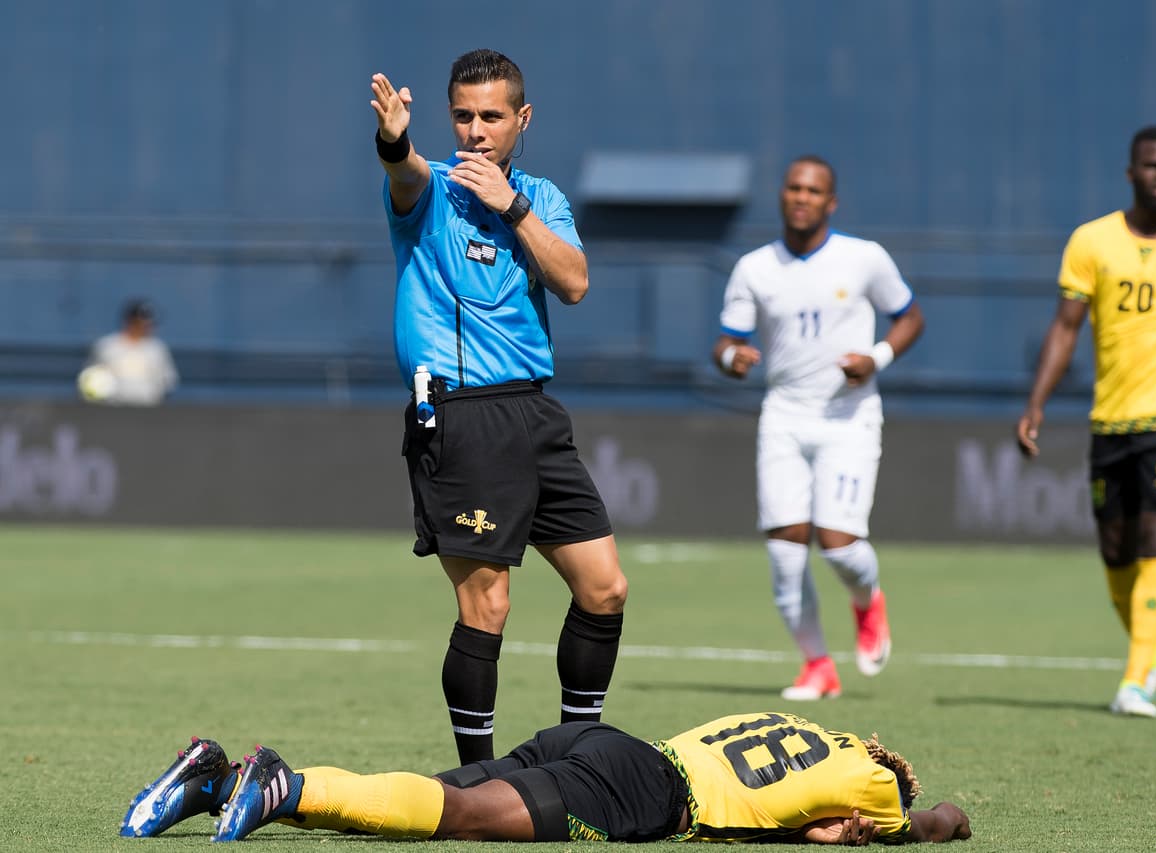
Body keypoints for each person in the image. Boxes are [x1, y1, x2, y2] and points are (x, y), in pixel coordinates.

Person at [368, 49, 627, 763]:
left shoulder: (541, 198)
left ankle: (580, 753)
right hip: (459, 414)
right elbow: (402, 168)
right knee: (487, 605)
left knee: (604, 588)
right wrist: (395, 139)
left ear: (522, 118)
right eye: (463, 115)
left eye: (490, 116)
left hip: (534, 413)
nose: (475, 131)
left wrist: (510, 206)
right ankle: (478, 780)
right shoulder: (433, 192)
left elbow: (573, 282)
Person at [1016, 125, 1156, 718]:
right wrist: (1037, 401)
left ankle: (1135, 681)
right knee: (1115, 549)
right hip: (1110, 419)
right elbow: (1065, 327)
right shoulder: (1092, 242)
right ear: (1131, 172)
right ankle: (1153, 653)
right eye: (1152, 165)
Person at [712, 156, 925, 700]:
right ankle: (818, 666)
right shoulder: (755, 269)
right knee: (785, 549)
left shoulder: (863, 259)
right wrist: (732, 356)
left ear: (831, 203)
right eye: (793, 188)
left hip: (848, 418)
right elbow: (725, 341)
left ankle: (867, 598)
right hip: (783, 416)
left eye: (814, 190)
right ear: (781, 196)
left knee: (838, 545)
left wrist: (876, 357)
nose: (801, 197)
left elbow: (910, 317)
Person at [120, 710, 972, 844]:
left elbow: (795, 814)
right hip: (650, 795)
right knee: (454, 816)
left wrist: (812, 831)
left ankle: (219, 777)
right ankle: (285, 786)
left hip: (604, 742)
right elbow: (944, 818)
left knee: (415, 800)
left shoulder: (800, 731)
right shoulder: (875, 788)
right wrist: (931, 817)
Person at [78, 298, 179, 405]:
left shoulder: (157, 349)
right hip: (112, 408)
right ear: (130, 320)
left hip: (148, 410)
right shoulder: (107, 346)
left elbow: (168, 379)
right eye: (141, 322)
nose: (146, 326)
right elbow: (90, 376)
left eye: (149, 323)